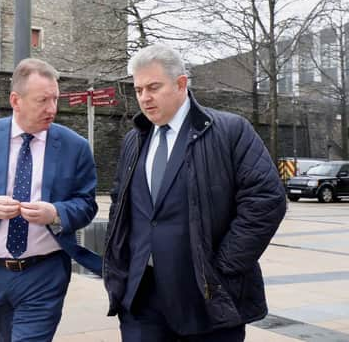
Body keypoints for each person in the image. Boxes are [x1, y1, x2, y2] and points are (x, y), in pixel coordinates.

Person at [102, 44, 286, 341]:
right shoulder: (133, 141)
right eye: (138, 90)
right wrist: (119, 271)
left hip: (206, 302)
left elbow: (266, 200)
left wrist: (223, 268)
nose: (145, 98)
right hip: (141, 301)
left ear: (181, 84)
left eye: (153, 87)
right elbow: (120, 206)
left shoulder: (230, 131)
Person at [0, 58, 101, 342]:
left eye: (55, 99)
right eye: (43, 100)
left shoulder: (75, 147)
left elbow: (87, 203)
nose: (52, 109)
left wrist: (55, 213)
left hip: (46, 272)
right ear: (15, 100)